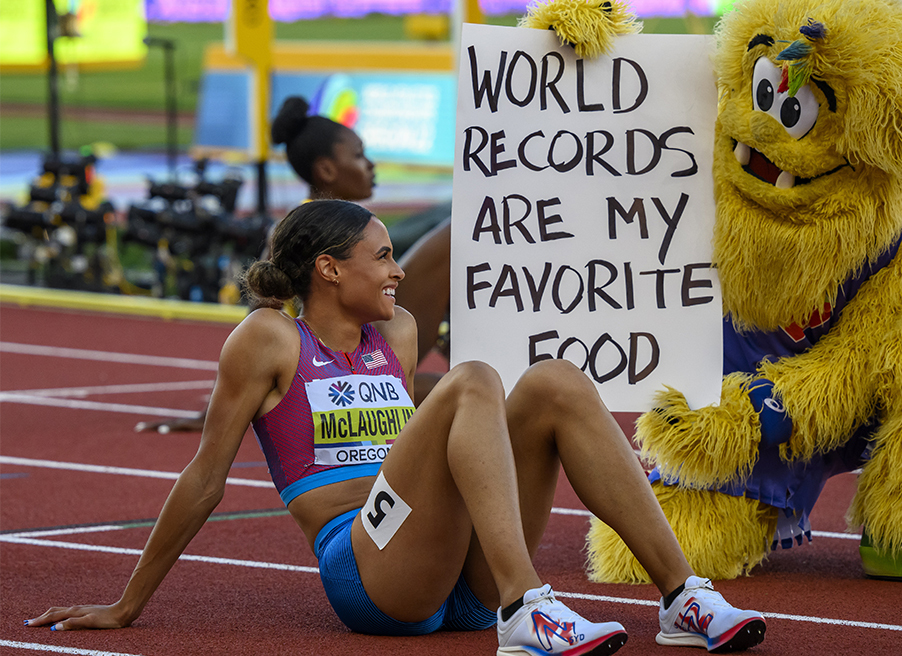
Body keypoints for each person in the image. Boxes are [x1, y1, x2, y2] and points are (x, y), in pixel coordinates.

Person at [27, 200, 767, 655]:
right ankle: (527, 608)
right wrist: (127, 605)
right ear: (326, 269)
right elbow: (204, 479)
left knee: (555, 381)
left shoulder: (401, 333)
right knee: (470, 378)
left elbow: (449, 436)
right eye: (381, 257)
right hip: (367, 569)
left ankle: (681, 597)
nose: (397, 272)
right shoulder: (268, 339)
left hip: (457, 579)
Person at [135, 96, 375, 434]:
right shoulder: (302, 229)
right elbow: (261, 309)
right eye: (359, 155)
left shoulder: (358, 227)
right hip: (314, 373)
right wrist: (221, 407)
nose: (372, 165)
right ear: (326, 169)